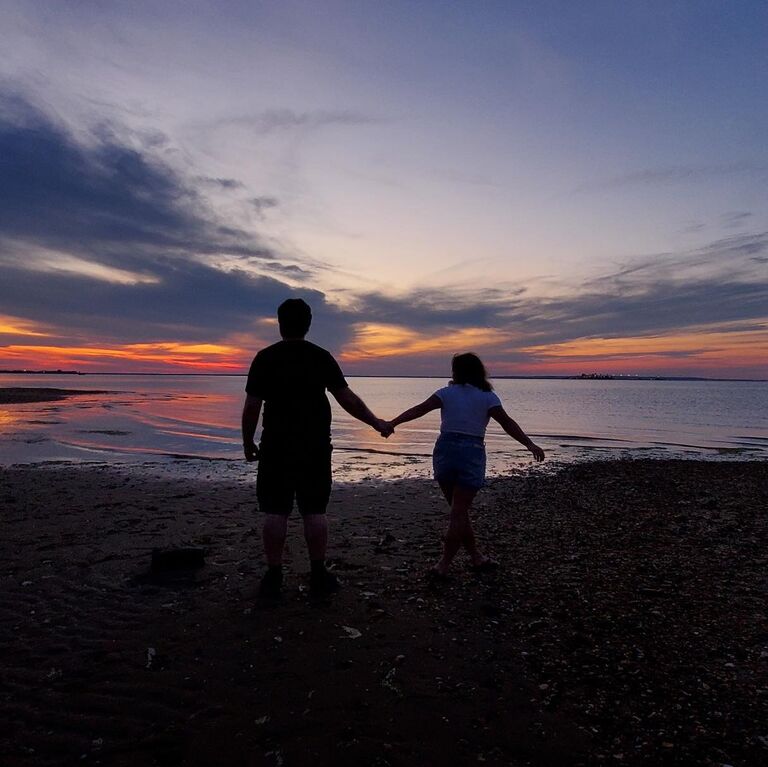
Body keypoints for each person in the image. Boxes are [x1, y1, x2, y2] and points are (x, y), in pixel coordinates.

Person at [242, 298, 392, 597]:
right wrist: (376, 423)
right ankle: (318, 574)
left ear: (280, 323)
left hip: (276, 446)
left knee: (276, 511)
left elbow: (252, 406)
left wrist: (248, 441)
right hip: (314, 446)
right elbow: (346, 398)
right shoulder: (320, 357)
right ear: (308, 324)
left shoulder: (265, 358)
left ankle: (274, 576)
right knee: (314, 510)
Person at [387, 352, 545, 578]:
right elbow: (507, 423)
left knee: (458, 511)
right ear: (479, 371)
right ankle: (443, 564)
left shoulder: (446, 393)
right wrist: (529, 444)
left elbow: (418, 409)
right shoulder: (487, 397)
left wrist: (392, 423)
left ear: (456, 372)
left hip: (446, 449)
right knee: (458, 512)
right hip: (470, 451)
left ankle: (476, 557)